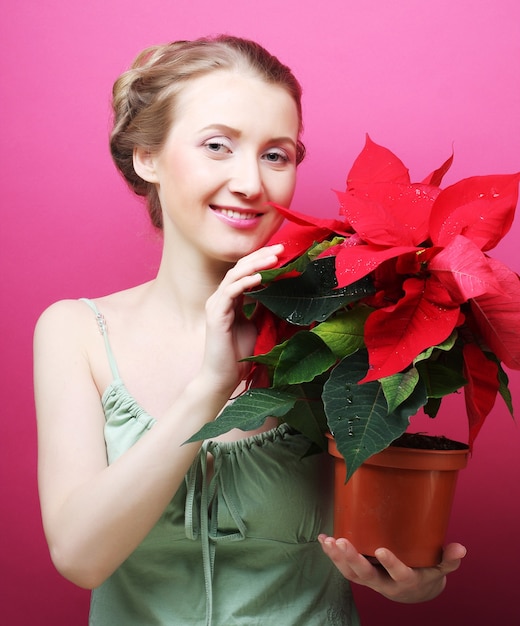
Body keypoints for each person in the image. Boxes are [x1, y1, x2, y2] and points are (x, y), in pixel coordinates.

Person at [34, 35, 466, 625]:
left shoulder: (340, 326)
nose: (250, 183)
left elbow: (389, 512)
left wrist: (410, 579)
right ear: (148, 157)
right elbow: (81, 557)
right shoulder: (75, 331)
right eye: (218, 146)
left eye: (276, 154)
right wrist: (209, 389)